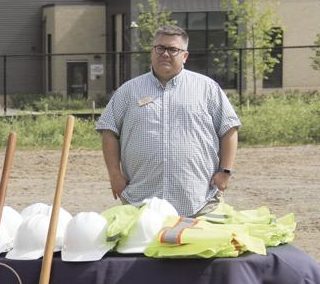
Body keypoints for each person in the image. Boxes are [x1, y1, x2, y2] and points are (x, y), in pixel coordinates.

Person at [96, 25, 241, 217]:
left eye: (173, 49)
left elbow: (229, 129)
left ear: (185, 56)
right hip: (140, 199)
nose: (165, 54)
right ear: (152, 51)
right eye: (160, 48)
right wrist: (114, 174)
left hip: (197, 199)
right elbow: (109, 131)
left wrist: (225, 171)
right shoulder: (129, 91)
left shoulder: (207, 89)